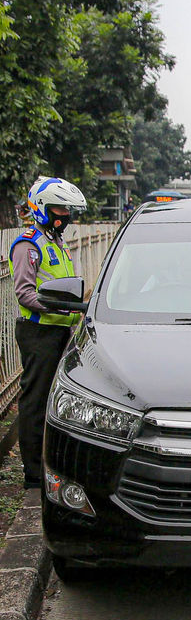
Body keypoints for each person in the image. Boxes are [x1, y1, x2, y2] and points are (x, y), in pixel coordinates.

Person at [10, 177, 87, 489]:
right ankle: (32, 473)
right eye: (59, 208)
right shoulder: (29, 245)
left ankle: (51, 463)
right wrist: (63, 308)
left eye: (67, 210)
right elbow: (25, 294)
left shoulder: (55, 240)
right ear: (41, 208)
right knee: (35, 402)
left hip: (59, 333)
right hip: (38, 333)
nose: (65, 215)